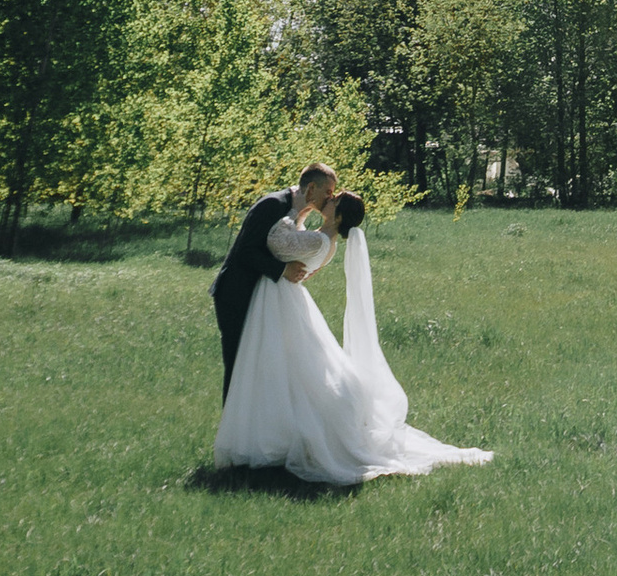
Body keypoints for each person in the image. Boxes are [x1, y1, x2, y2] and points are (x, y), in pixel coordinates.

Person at [209, 163, 492, 487]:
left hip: (272, 301)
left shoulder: (306, 224)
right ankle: (237, 446)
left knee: (261, 368)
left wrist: (284, 266)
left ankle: (249, 445)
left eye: (335, 196)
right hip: (238, 294)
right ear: (311, 189)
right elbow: (244, 250)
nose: (331, 197)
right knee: (238, 364)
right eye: (328, 192)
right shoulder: (273, 205)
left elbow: (286, 248)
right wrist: (282, 268)